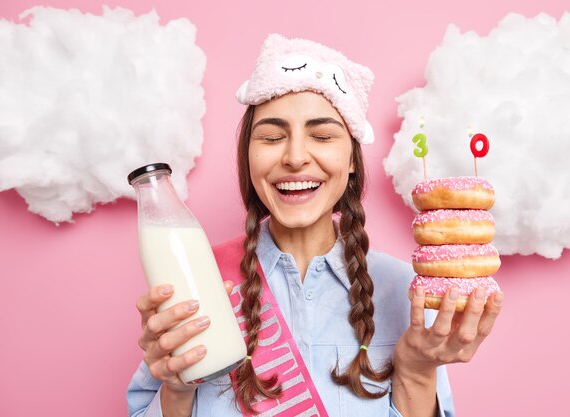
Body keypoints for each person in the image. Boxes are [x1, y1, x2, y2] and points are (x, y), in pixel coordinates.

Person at [127, 34, 503, 417]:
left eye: (322, 136)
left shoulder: (405, 292)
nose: (294, 157)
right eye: (272, 137)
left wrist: (418, 372)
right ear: (248, 158)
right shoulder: (203, 279)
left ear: (353, 159)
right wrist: (176, 386)